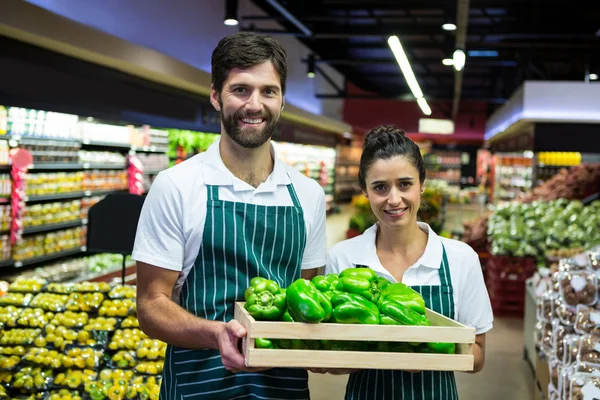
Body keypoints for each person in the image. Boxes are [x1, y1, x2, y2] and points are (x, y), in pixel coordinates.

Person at [133, 32, 326, 399]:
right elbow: (150, 305)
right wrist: (216, 333)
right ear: (215, 95)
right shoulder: (177, 186)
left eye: (268, 91)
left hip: (283, 388)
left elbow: (309, 301)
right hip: (196, 386)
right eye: (241, 89)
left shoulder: (308, 195)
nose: (255, 104)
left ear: (282, 100)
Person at [326, 125, 493, 399]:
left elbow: (477, 356)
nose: (394, 199)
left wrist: (425, 356)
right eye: (380, 187)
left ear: (422, 184)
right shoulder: (342, 258)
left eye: (405, 184)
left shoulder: (460, 259)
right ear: (364, 191)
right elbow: (332, 357)